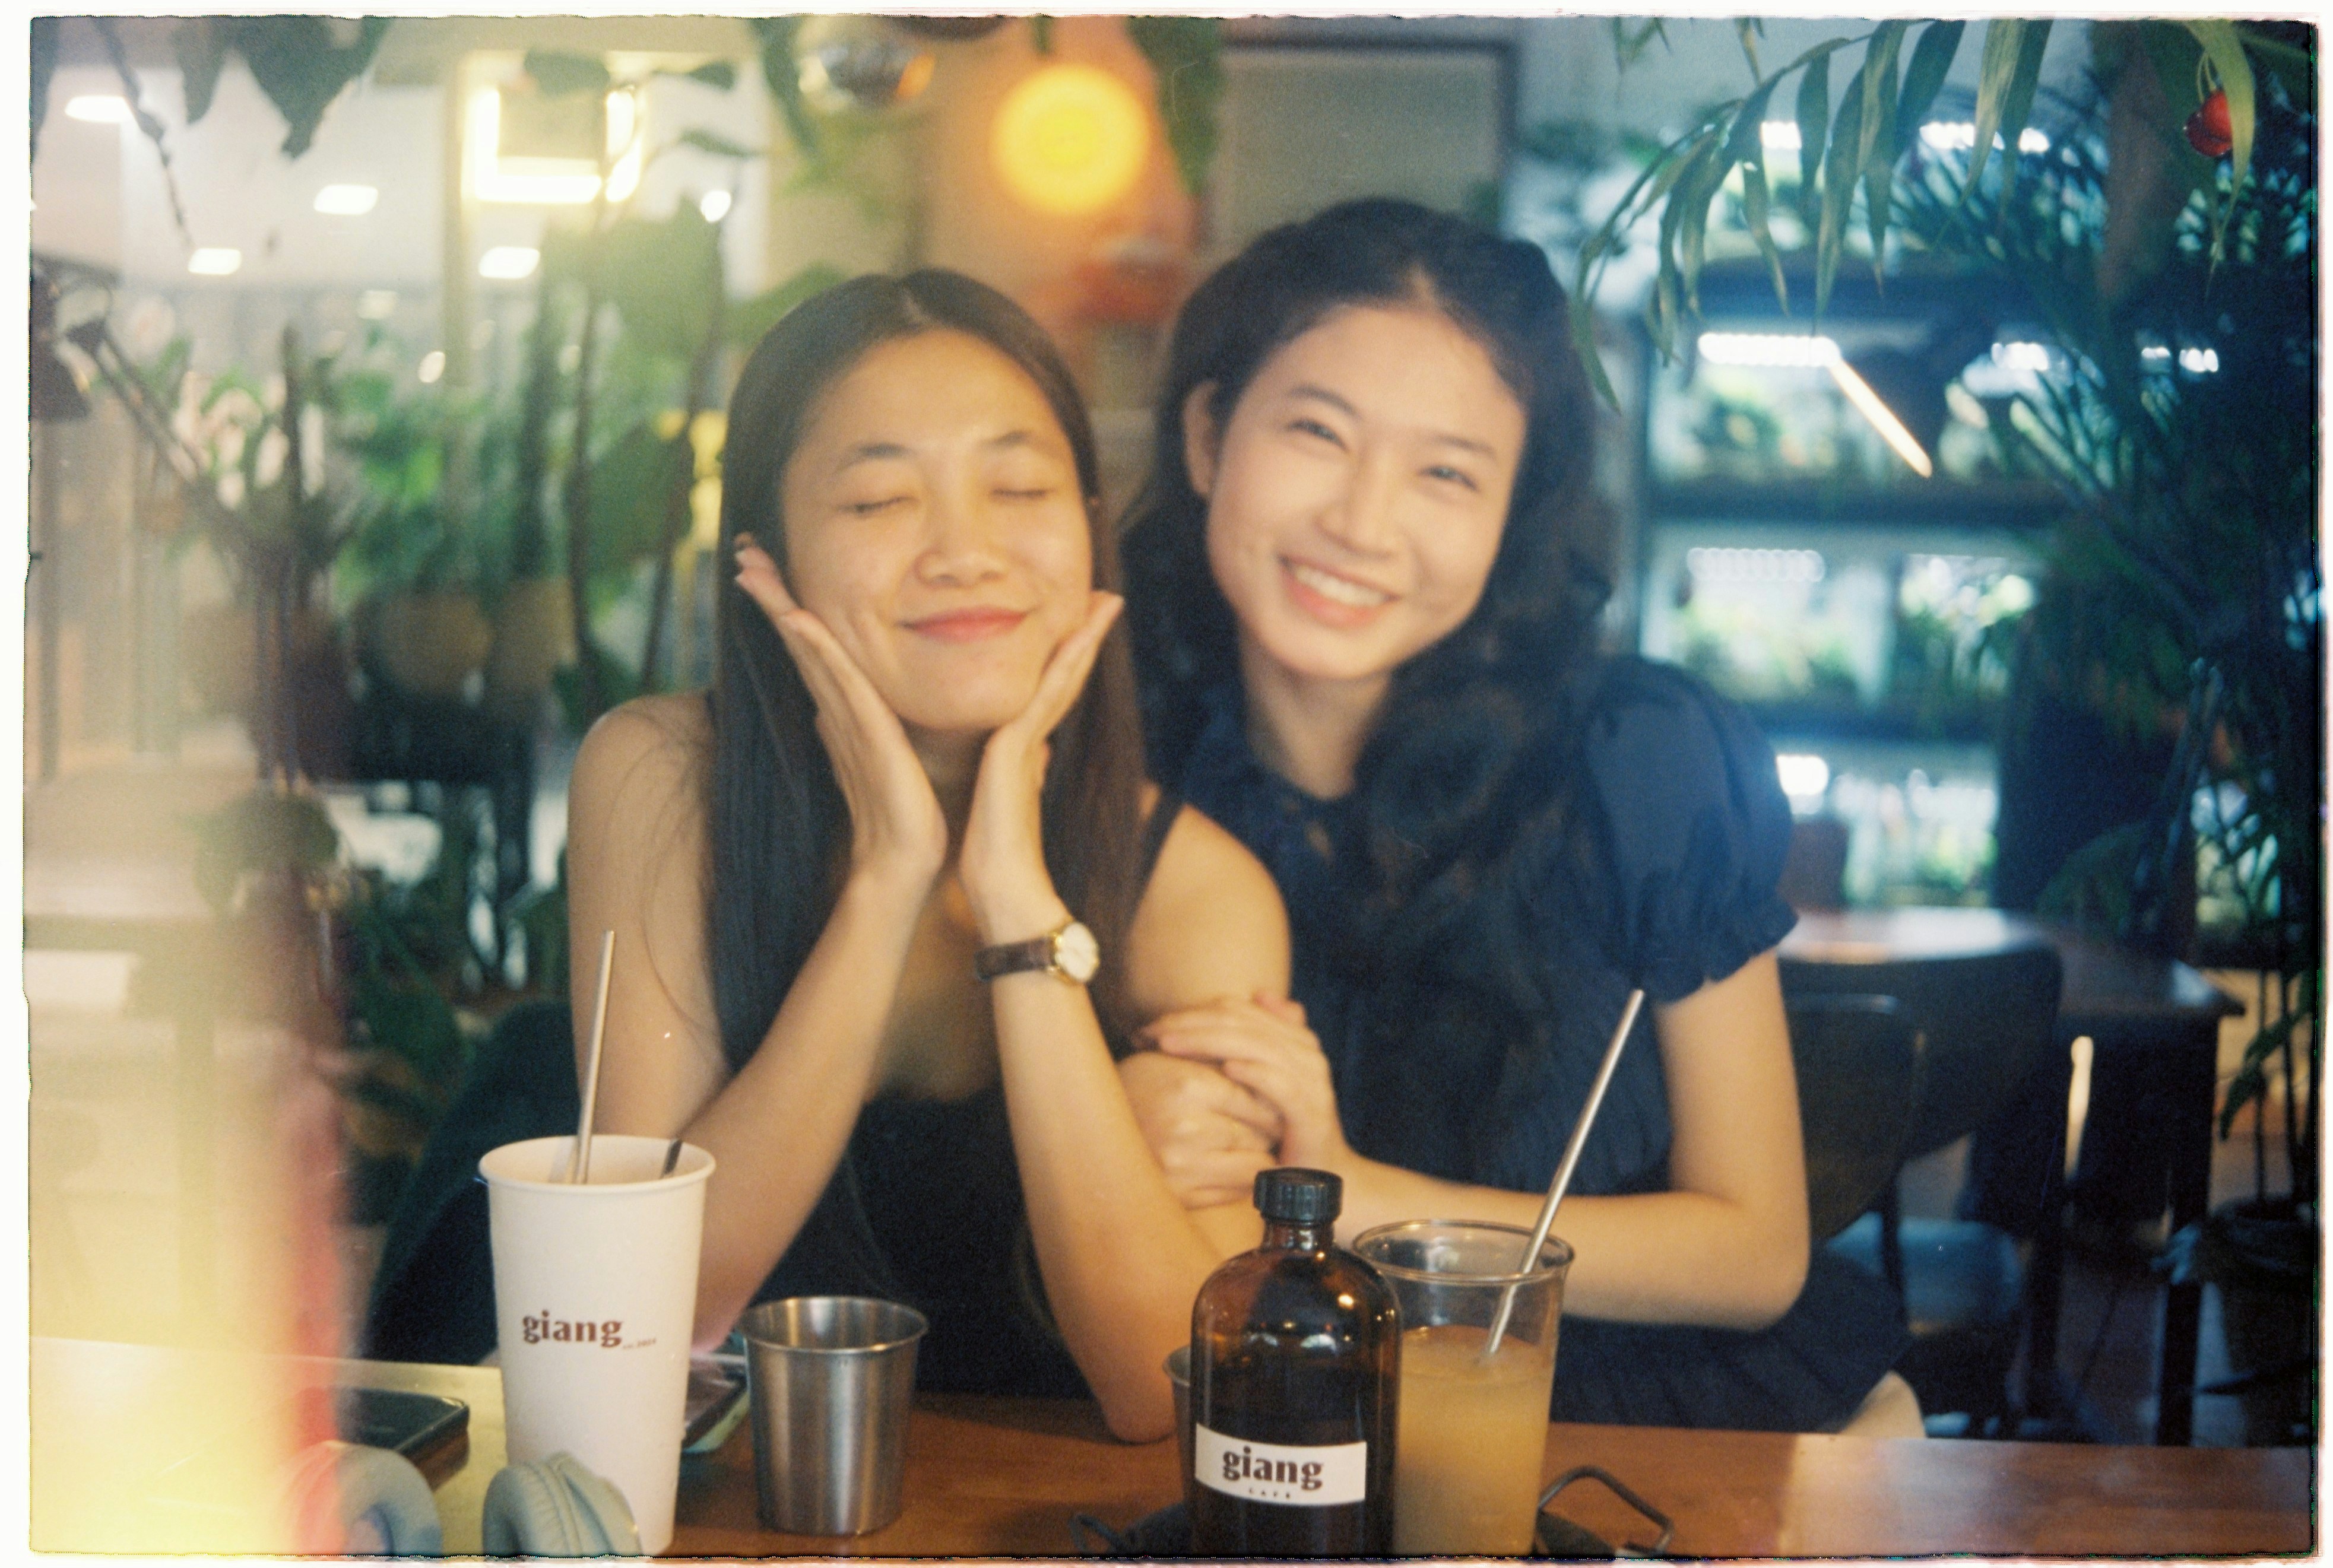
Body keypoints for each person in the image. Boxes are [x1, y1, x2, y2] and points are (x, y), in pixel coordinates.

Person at [1118, 199, 1919, 1434]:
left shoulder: (1637, 758)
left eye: (1446, 472)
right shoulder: (1112, 777)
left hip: (1630, 1422)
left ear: (1510, 520)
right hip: (1273, 1434)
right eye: (1318, 433)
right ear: (1209, 435)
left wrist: (1342, 1194)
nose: (1362, 522)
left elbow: (1756, 1252)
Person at [563, 270, 1286, 1443]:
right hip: (728, 1506)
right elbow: (641, 1309)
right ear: (767, 554)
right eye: (878, 500)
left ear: (1091, 529)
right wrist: (889, 875)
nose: (965, 551)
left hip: (1038, 1512)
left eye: (1019, 488)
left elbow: (1163, 1386)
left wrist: (1015, 906)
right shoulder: (662, 779)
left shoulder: (1195, 886)